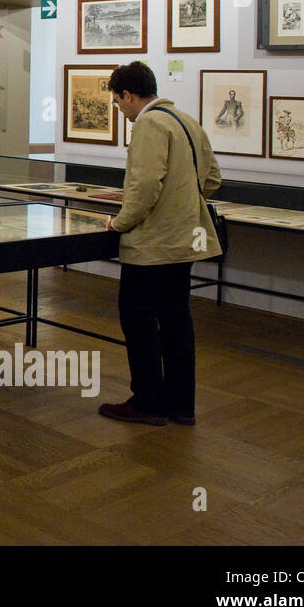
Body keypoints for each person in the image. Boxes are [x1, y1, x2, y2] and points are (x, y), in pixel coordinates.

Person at [101, 61, 221, 427]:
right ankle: (182, 404)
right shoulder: (186, 121)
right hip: (185, 241)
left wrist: (119, 223)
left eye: (119, 103)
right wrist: (182, 199)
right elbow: (213, 178)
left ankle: (149, 402)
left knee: (137, 319)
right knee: (176, 321)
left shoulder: (149, 124)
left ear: (128, 94)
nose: (121, 112)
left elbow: (145, 186)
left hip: (153, 245)